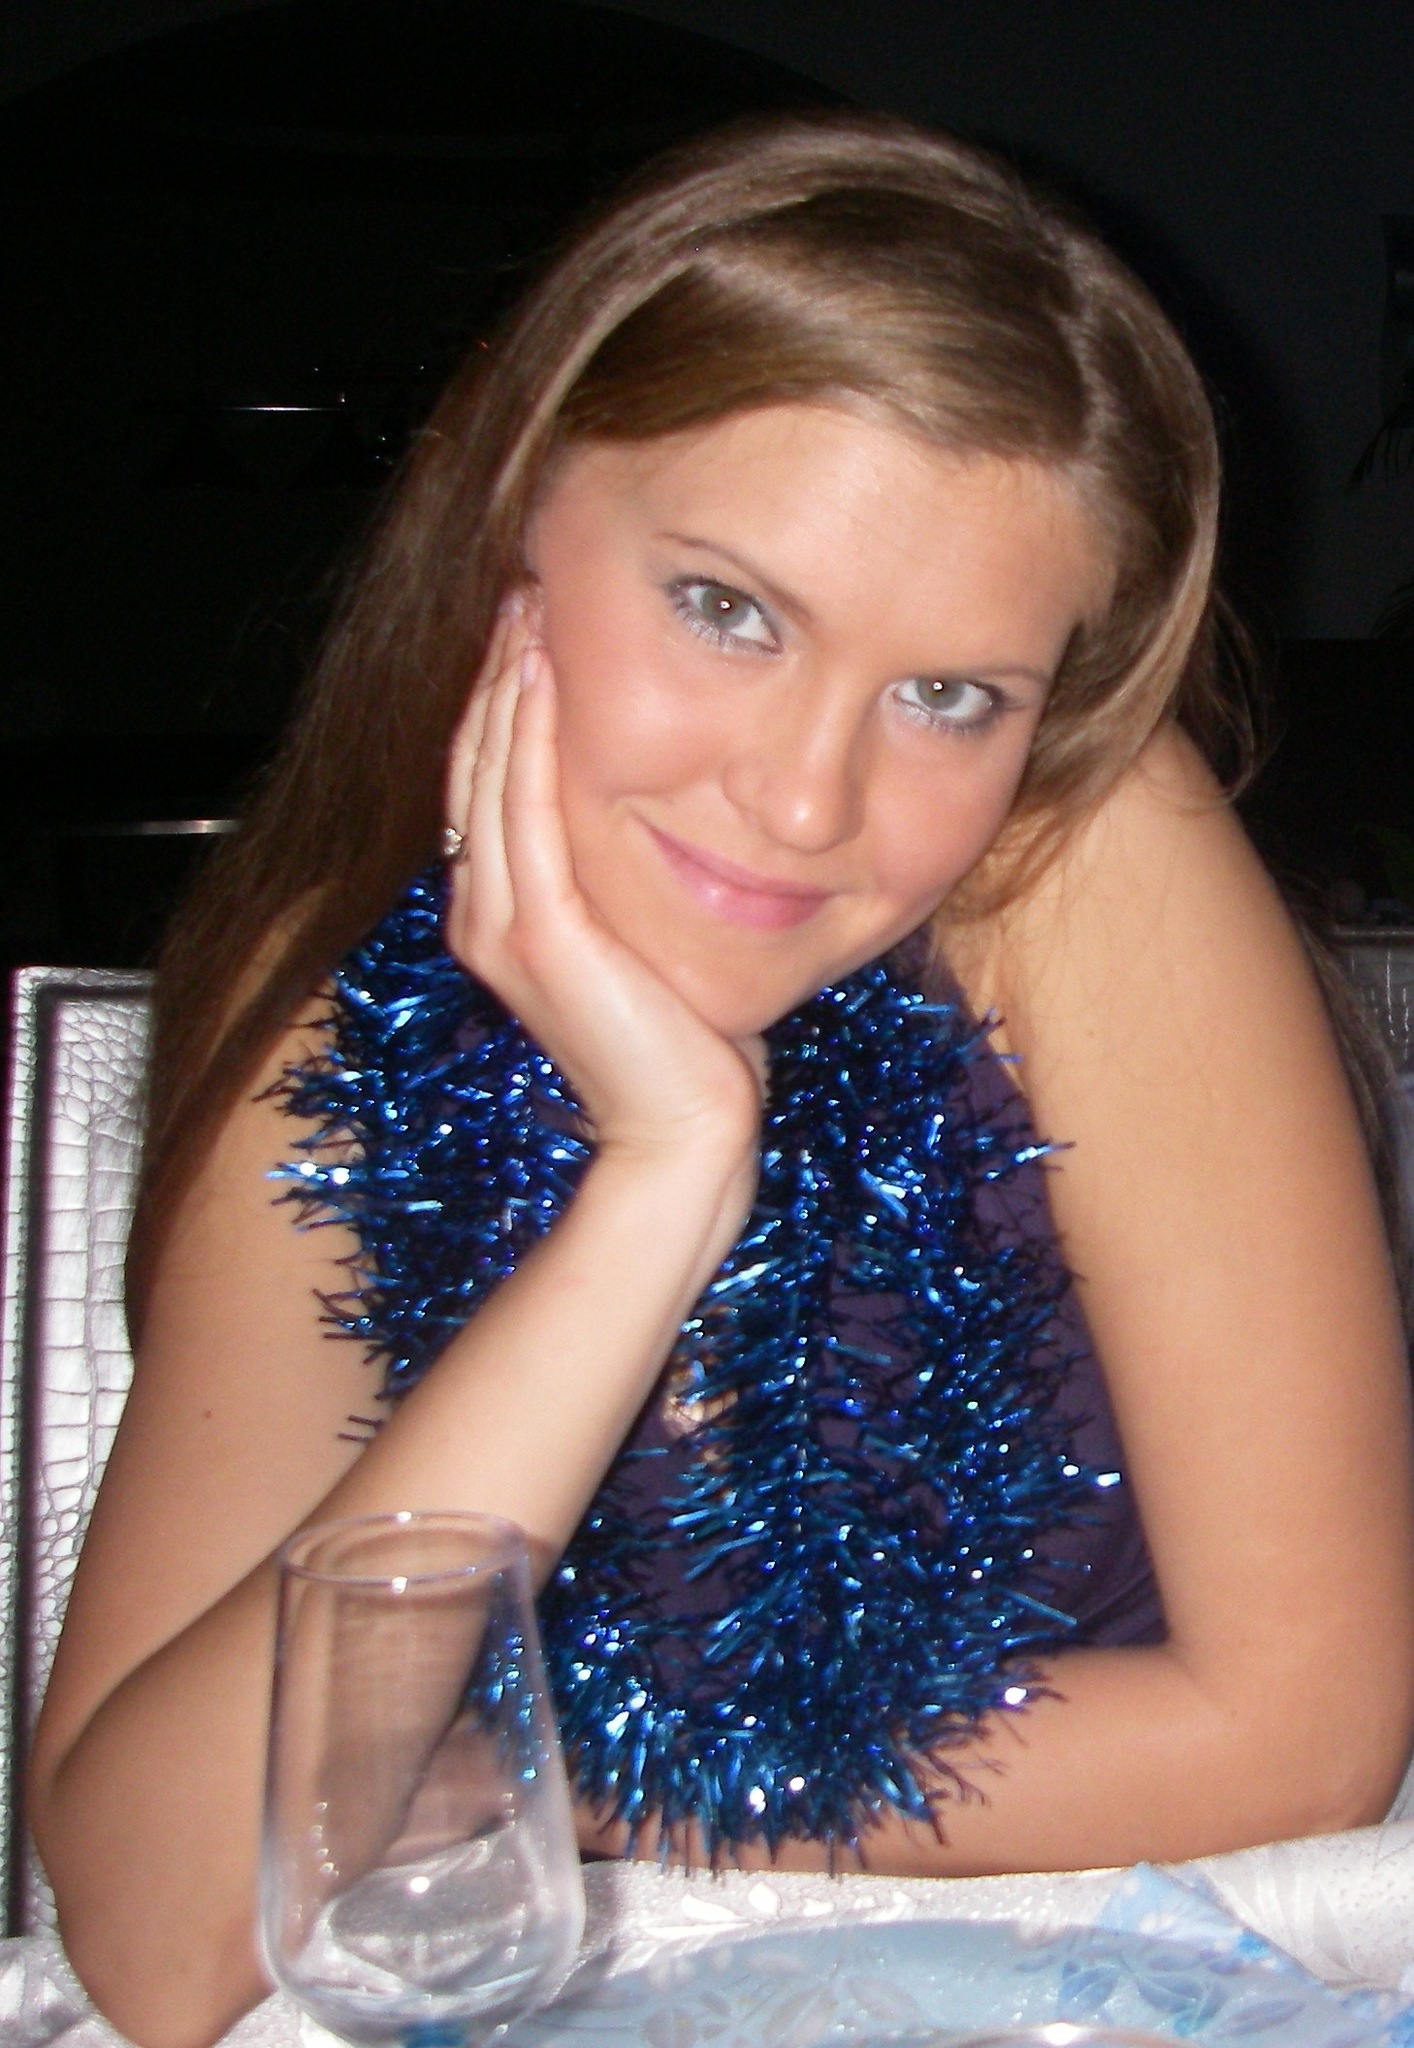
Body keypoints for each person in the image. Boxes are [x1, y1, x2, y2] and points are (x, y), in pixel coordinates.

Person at [27, 109, 1414, 2048]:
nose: (804, 798)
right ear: (512, 517)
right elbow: (154, 1932)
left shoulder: (1070, 862)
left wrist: (525, 1784)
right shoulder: (332, 1010)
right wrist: (658, 1181)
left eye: (947, 696)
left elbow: (1304, 1736)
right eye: (726, 608)